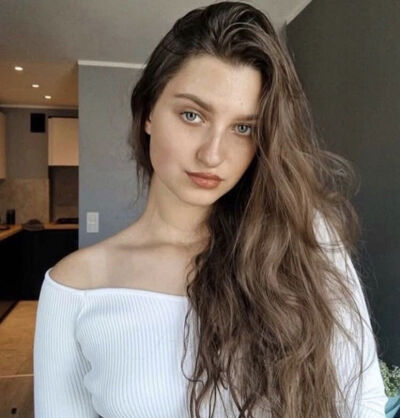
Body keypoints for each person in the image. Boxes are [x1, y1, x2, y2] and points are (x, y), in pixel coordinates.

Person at [33, 2, 388, 417]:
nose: (213, 154)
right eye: (192, 115)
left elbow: (362, 400)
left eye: (243, 128)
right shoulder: (76, 287)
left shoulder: (304, 241)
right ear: (148, 113)